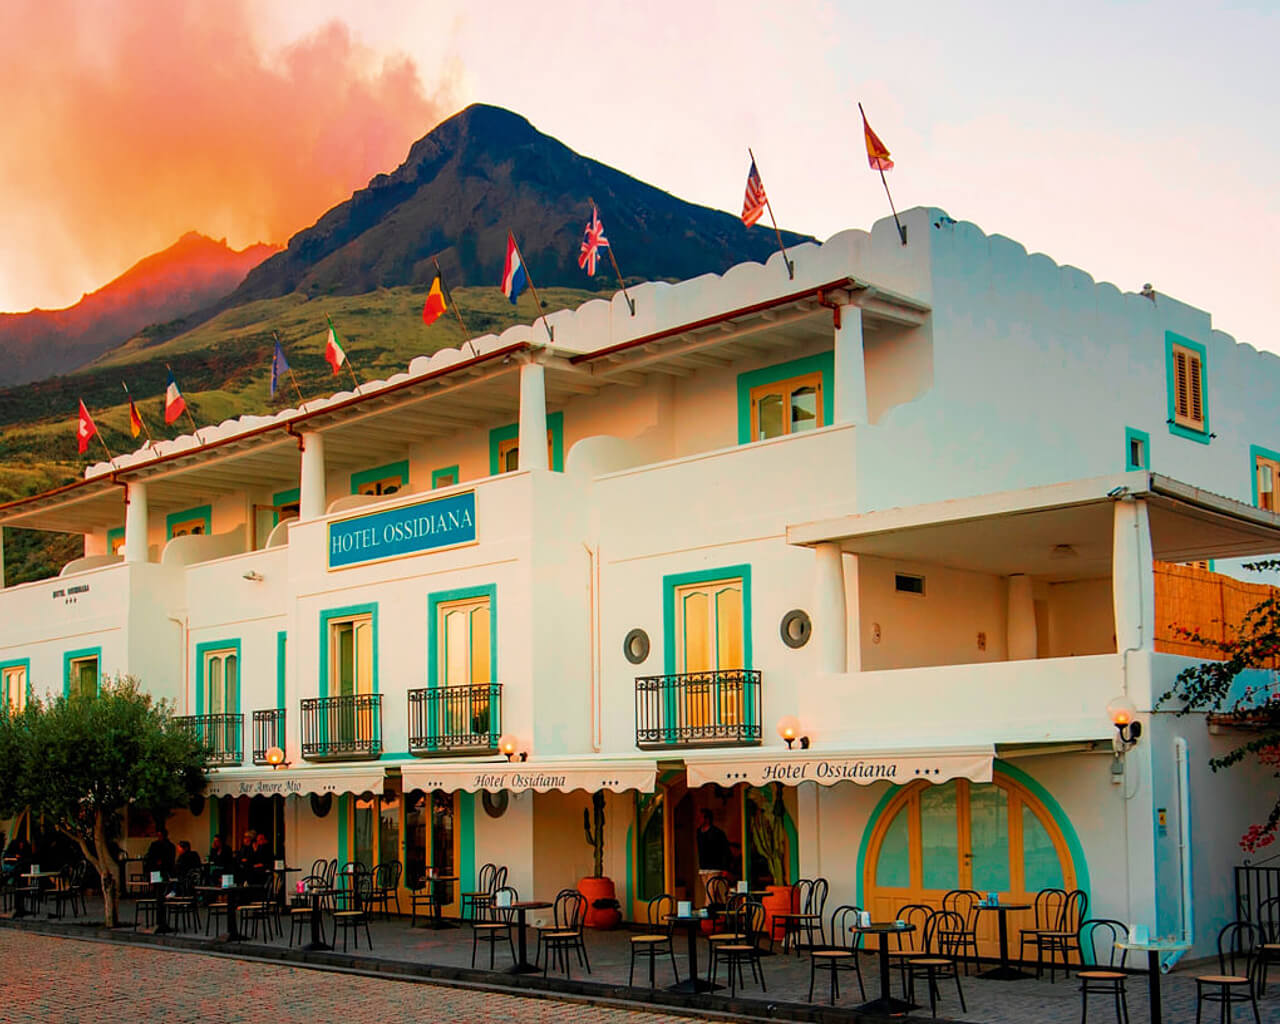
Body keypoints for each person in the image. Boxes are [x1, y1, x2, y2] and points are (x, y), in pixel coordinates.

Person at [695, 809, 733, 905]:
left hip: (716, 867)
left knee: (710, 891)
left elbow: (725, 850)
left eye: (700, 817)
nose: (698, 819)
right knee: (713, 893)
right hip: (704, 867)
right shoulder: (699, 832)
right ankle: (720, 911)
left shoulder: (717, 833)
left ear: (707, 819)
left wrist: (725, 868)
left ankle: (707, 912)